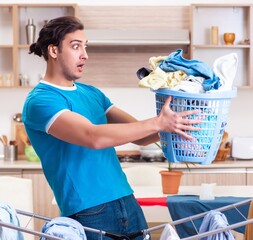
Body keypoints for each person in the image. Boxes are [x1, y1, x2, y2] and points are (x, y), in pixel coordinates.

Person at [22, 16, 201, 239]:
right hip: (87, 210)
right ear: (54, 51)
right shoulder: (41, 101)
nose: (84, 54)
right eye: (75, 46)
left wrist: (175, 124)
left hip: (126, 201)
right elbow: (92, 137)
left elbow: (141, 135)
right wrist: (158, 122)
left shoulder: (91, 93)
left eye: (85, 46)